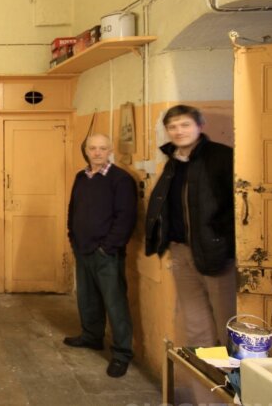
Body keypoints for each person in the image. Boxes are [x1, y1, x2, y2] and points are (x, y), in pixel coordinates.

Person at [145, 105, 236, 348]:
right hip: (181, 251)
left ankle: (234, 383)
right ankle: (207, 384)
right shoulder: (173, 162)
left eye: (185, 125)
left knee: (227, 323)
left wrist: (221, 239)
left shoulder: (222, 157)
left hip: (215, 252)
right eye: (172, 127)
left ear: (200, 126)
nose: (178, 131)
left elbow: (237, 205)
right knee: (196, 325)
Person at [64, 133, 138, 378]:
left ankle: (121, 354)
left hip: (106, 252)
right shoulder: (81, 177)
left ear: (110, 150)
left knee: (115, 303)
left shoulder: (121, 180)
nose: (97, 153)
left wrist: (108, 247)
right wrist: (72, 237)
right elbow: (73, 209)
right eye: (92, 148)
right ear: (86, 150)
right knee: (87, 298)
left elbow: (125, 218)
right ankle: (91, 337)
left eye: (102, 148)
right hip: (82, 248)